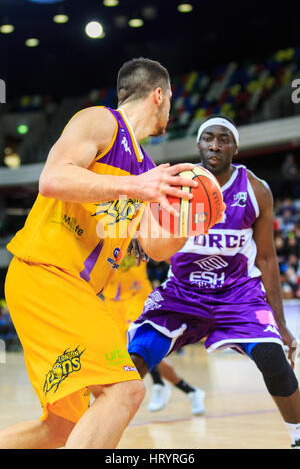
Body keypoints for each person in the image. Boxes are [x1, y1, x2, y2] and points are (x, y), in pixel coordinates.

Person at [1, 57, 198, 449]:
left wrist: (190, 225)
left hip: (75, 292)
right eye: (171, 100)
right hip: (47, 274)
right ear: (159, 95)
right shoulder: (100, 122)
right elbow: (53, 178)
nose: (172, 110)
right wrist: (137, 187)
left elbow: (154, 248)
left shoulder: (145, 168)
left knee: (60, 429)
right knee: (126, 391)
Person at [127, 115, 300, 449]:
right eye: (208, 139)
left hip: (238, 294)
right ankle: (94, 432)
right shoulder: (177, 182)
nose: (215, 145)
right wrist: (138, 229)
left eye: (223, 139)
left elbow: (266, 258)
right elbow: (140, 212)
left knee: (273, 357)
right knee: (134, 357)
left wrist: (280, 323)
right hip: (182, 293)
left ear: (235, 146)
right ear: (198, 144)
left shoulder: (255, 189)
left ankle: (297, 436)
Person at [103, 243, 205, 415]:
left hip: (137, 296)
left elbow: (165, 253)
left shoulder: (134, 226)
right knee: (128, 356)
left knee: (139, 348)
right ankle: (190, 391)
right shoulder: (98, 233)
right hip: (112, 301)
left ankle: (158, 383)